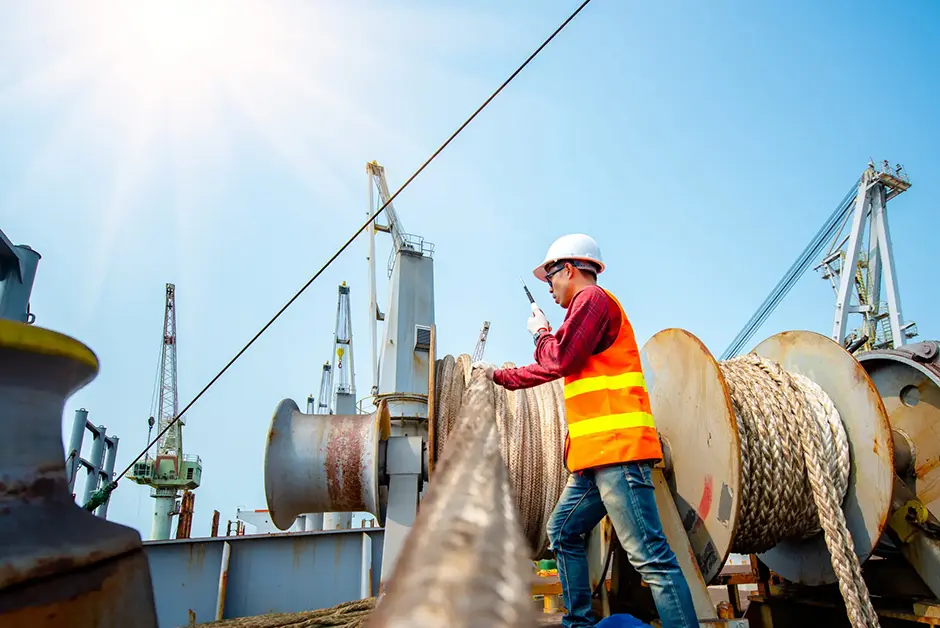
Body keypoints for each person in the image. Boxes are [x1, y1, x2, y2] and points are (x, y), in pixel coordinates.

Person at [472, 234, 698, 628]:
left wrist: (523, 352)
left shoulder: (592, 301)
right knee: (562, 531)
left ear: (571, 270)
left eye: (551, 278)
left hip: (618, 453)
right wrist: (545, 336)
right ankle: (578, 623)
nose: (550, 287)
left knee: (651, 558)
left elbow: (559, 359)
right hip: (595, 459)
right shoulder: (585, 311)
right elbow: (563, 358)